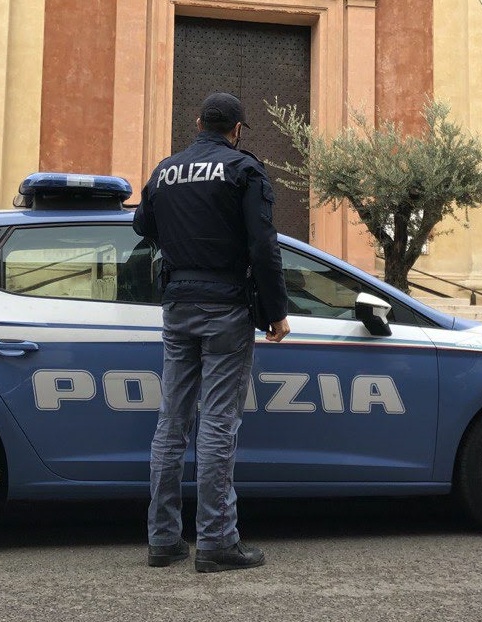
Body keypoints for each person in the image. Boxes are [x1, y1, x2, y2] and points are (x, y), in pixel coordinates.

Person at [133, 92, 291, 573]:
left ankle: (163, 540)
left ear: (198, 122)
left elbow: (142, 223)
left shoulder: (165, 170)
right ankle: (218, 542)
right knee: (219, 424)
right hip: (225, 309)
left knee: (171, 424)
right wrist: (276, 311)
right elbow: (263, 246)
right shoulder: (243, 170)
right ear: (237, 129)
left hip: (178, 306)